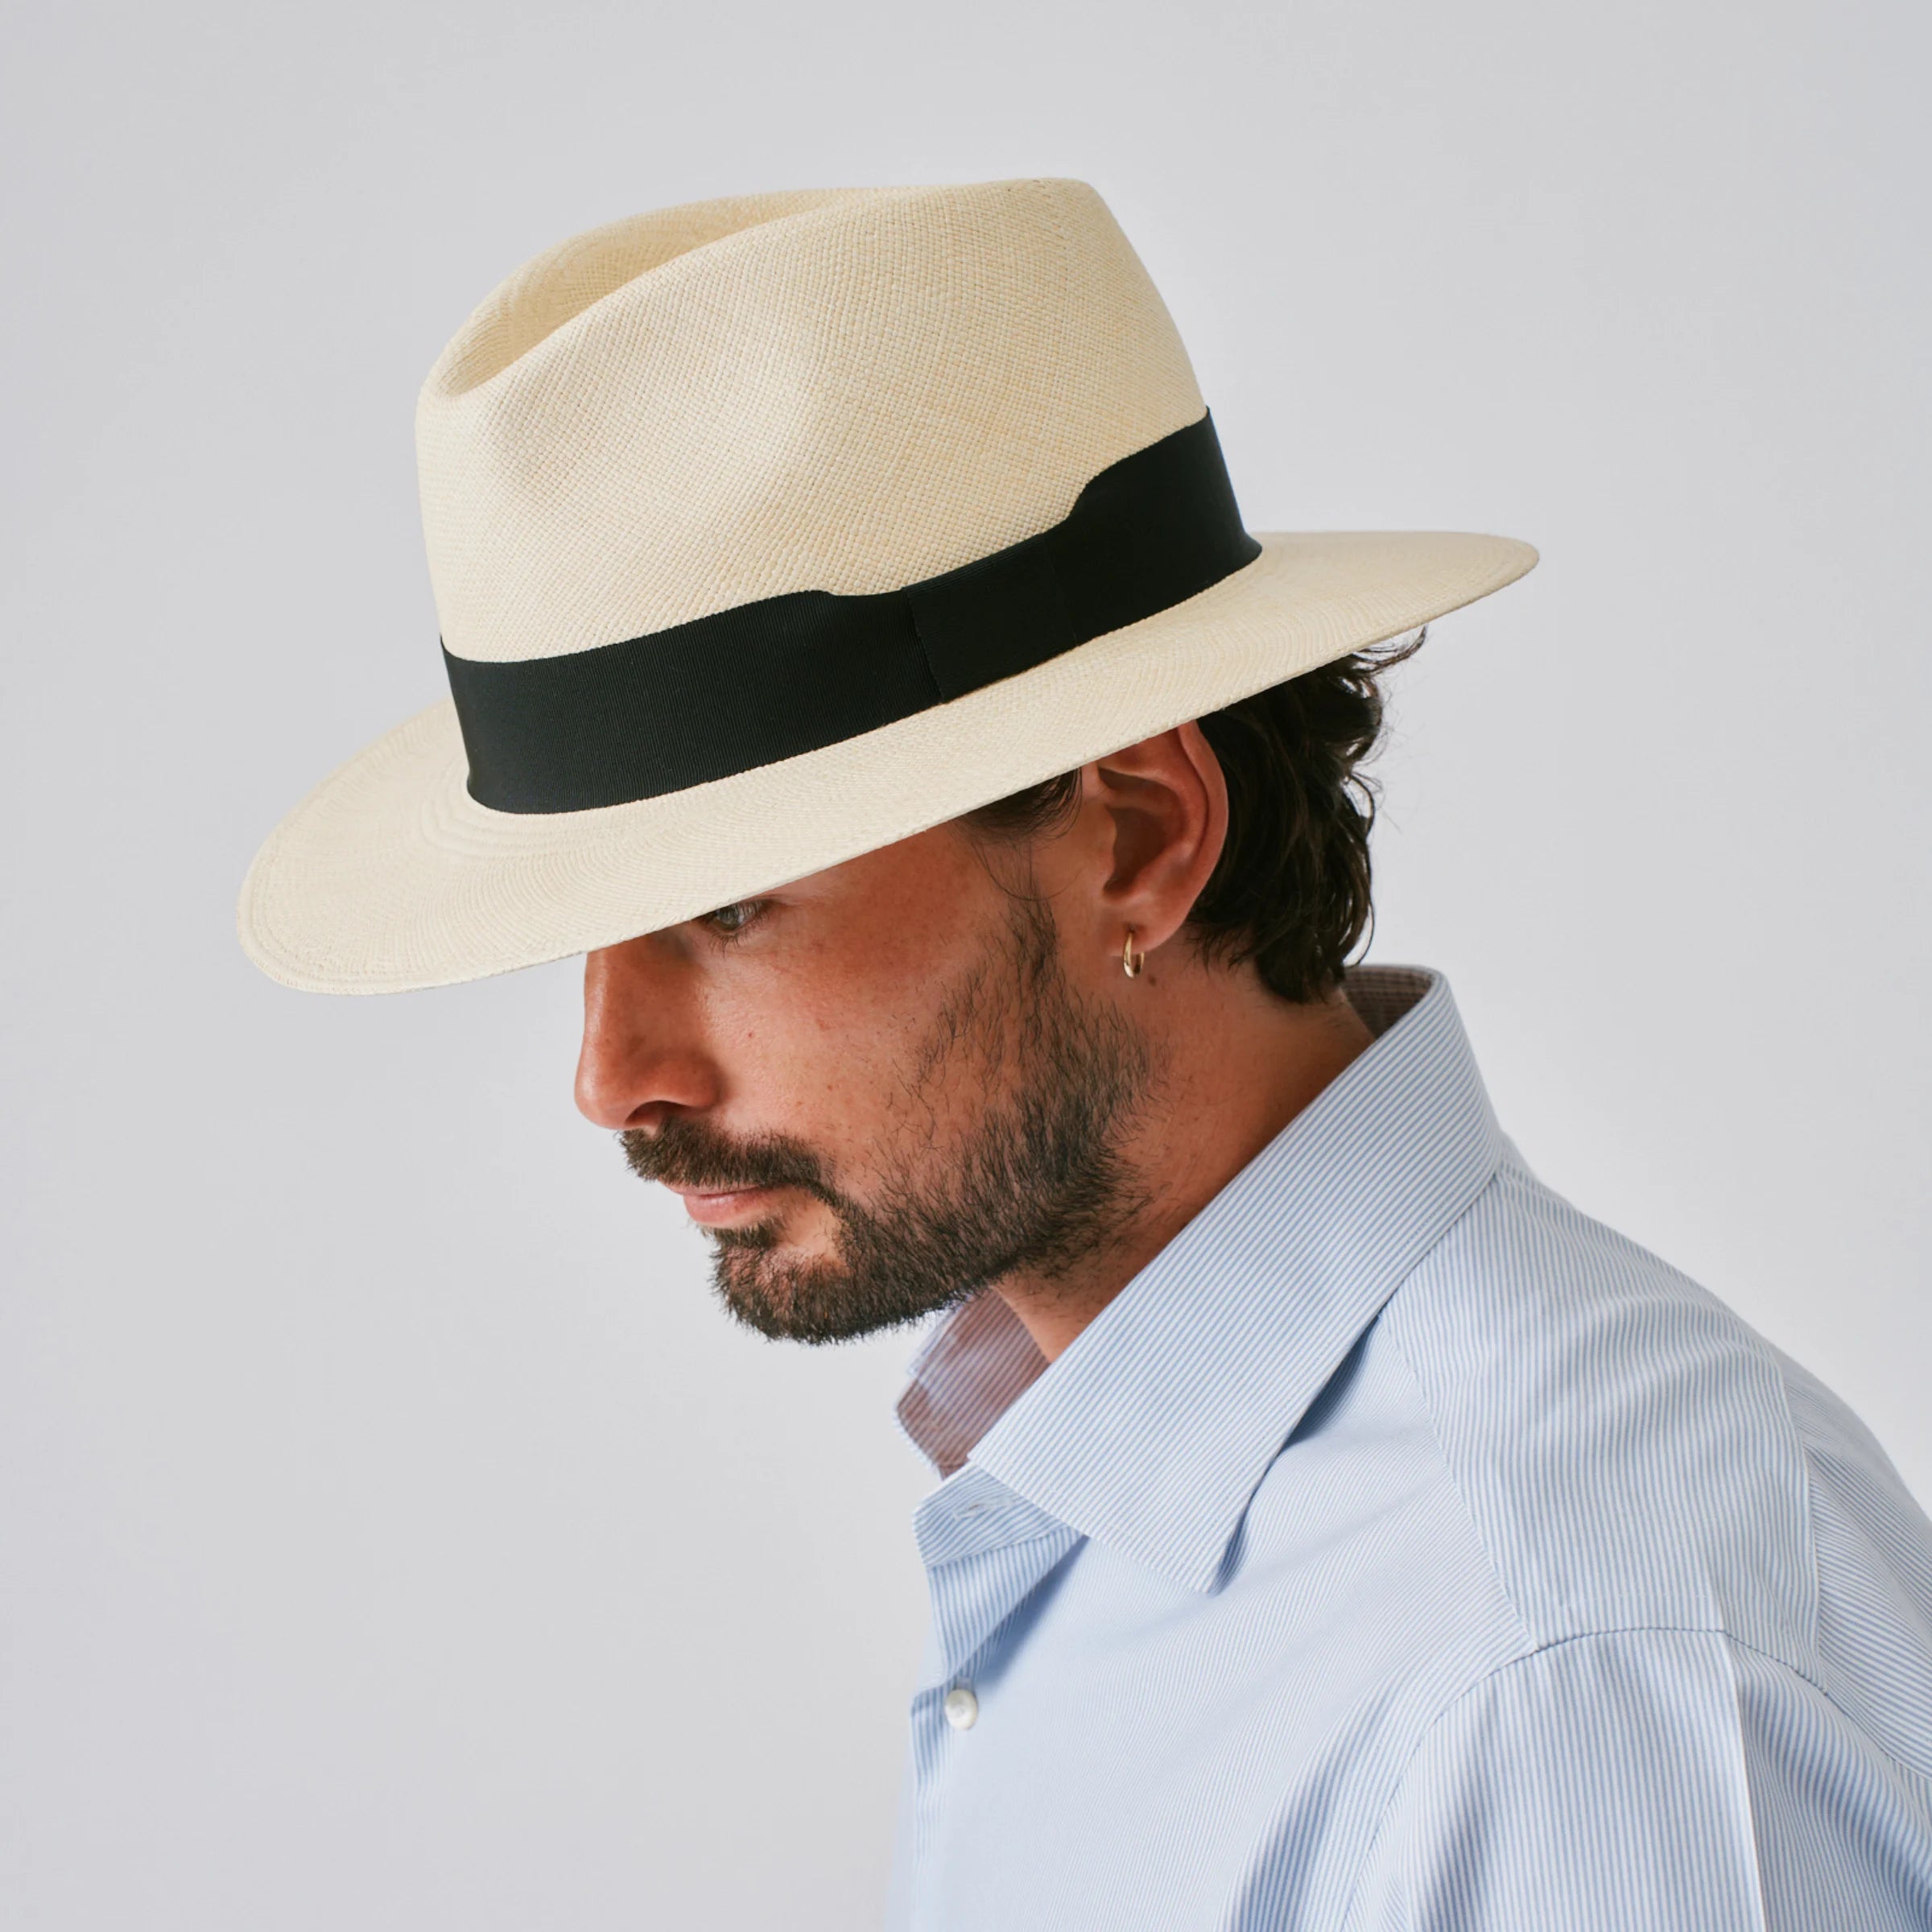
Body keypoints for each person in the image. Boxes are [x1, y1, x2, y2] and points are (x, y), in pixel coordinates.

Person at [241, 180, 1932, 1929]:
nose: (613, 1077)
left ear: (1136, 837)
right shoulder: (1130, 1499)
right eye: (583, 933)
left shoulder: (1568, 1674)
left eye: (727, 908)